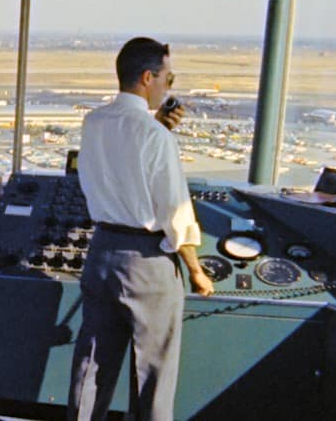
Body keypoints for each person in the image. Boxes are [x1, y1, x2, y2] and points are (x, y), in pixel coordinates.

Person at [67, 37, 215, 421]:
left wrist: (158, 126)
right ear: (148, 77)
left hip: (101, 254)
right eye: (169, 77)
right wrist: (197, 271)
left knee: (92, 369)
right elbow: (175, 212)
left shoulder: (94, 122)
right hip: (147, 264)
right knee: (152, 378)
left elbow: (115, 167)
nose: (170, 86)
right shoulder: (155, 136)